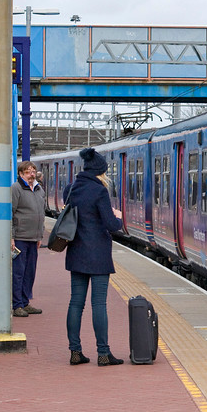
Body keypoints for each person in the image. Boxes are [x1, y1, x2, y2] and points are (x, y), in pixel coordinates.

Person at [64, 148, 124, 366]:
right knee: (99, 303)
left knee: (75, 303)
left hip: (76, 252)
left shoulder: (71, 189)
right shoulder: (99, 191)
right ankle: (103, 353)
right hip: (97, 254)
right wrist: (118, 218)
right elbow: (111, 224)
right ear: (100, 172)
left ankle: (75, 351)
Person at [11, 161, 46, 317]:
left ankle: (25, 302)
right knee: (18, 272)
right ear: (20, 174)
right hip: (19, 237)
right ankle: (17, 304)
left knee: (30, 272)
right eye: (27, 172)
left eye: (33, 171)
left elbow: (41, 213)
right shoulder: (16, 189)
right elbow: (10, 213)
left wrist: (40, 235)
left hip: (34, 237)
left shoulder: (39, 190)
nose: (31, 174)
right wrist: (11, 237)